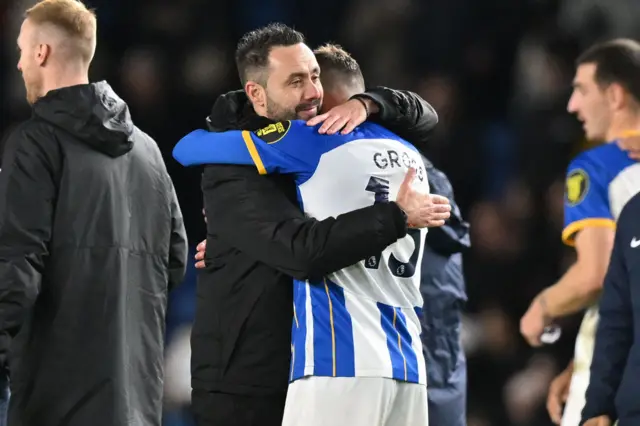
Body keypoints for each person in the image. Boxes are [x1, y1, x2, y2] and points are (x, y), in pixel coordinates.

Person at [193, 43, 470, 426]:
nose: (311, 106)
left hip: (339, 359)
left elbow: (191, 147)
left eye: (314, 83)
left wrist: (231, 233)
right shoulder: (410, 153)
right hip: (410, 364)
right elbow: (426, 115)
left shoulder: (314, 144)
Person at [0, 1, 188, 425]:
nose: (17, 63)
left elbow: (16, 268)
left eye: (21, 49)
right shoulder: (148, 151)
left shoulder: (33, 144)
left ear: (42, 52)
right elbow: (174, 262)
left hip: (55, 402)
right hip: (135, 401)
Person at [519, 38, 640, 426]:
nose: (573, 105)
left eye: (582, 90)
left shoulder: (595, 168)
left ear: (616, 94)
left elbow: (596, 276)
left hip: (613, 380)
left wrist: (542, 309)